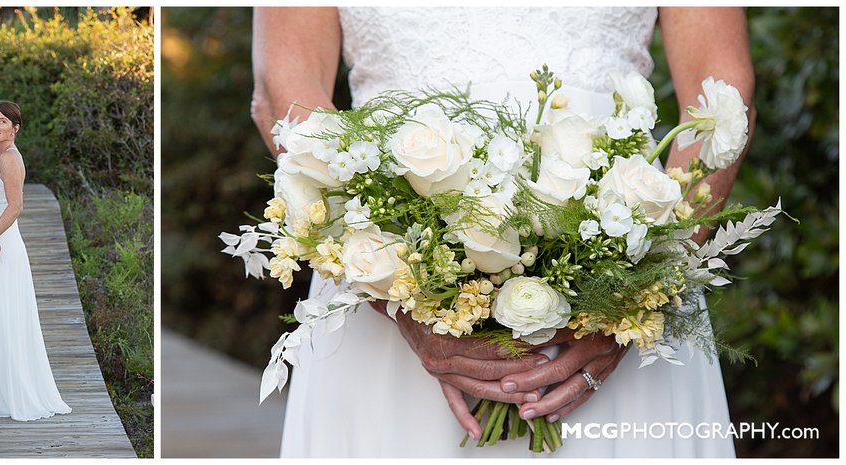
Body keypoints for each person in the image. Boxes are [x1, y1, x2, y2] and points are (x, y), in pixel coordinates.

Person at [250, 7, 754, 457]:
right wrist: (397, 289)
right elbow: (284, 89)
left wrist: (636, 293)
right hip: (384, 285)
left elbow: (723, 86)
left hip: (623, 260)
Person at [0, 101, 72, 421]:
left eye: (2, 121)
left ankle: (9, 393)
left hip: (1, 245)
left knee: (3, 316)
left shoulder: (10, 159)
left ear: (15, 128)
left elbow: (15, 206)